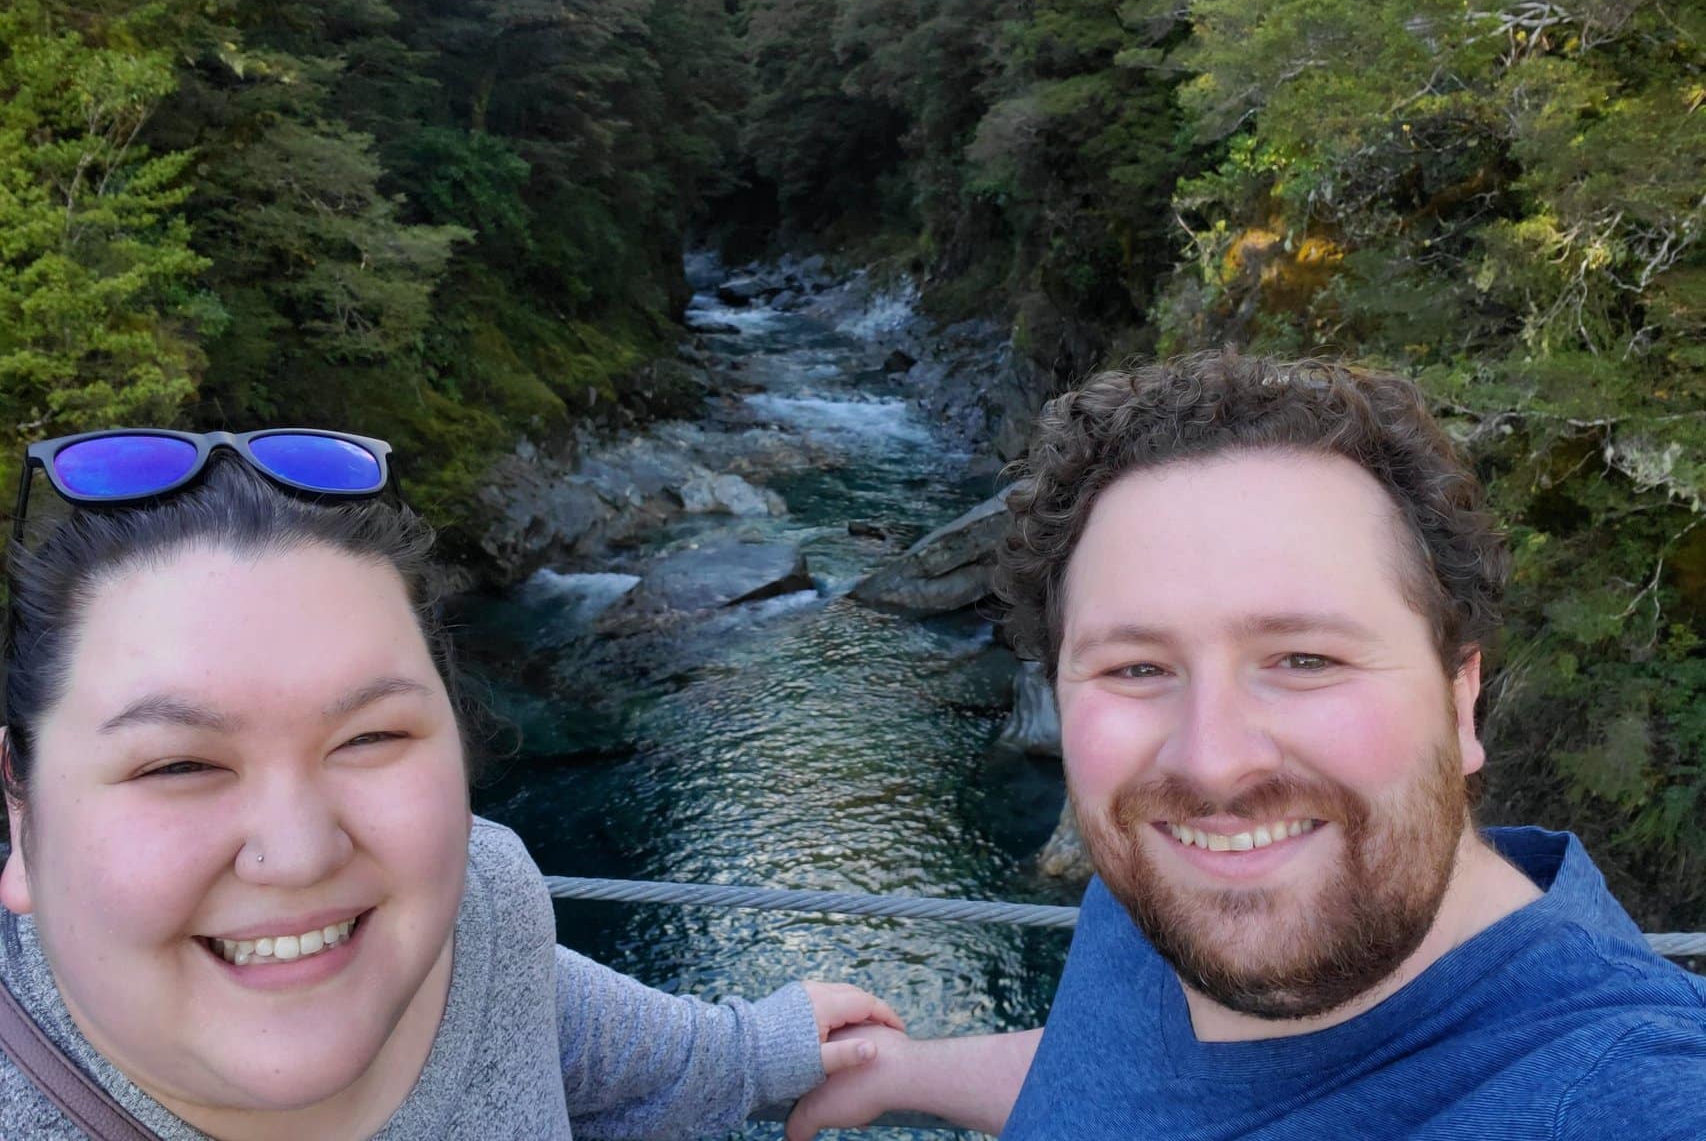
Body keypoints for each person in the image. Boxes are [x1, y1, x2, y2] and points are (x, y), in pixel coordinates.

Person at [787, 351, 1706, 1140]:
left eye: (1304, 658)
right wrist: (902, 1074)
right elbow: (1140, 1075)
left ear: (1460, 698)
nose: (1210, 763)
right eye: (1137, 669)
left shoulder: (1617, 1091)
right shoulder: (1171, 874)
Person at [0, 428, 901, 1139]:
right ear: (21, 807)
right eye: (179, 763)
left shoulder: (484, 895)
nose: (301, 852)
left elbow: (561, 1032)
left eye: (371, 736)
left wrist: (764, 1050)